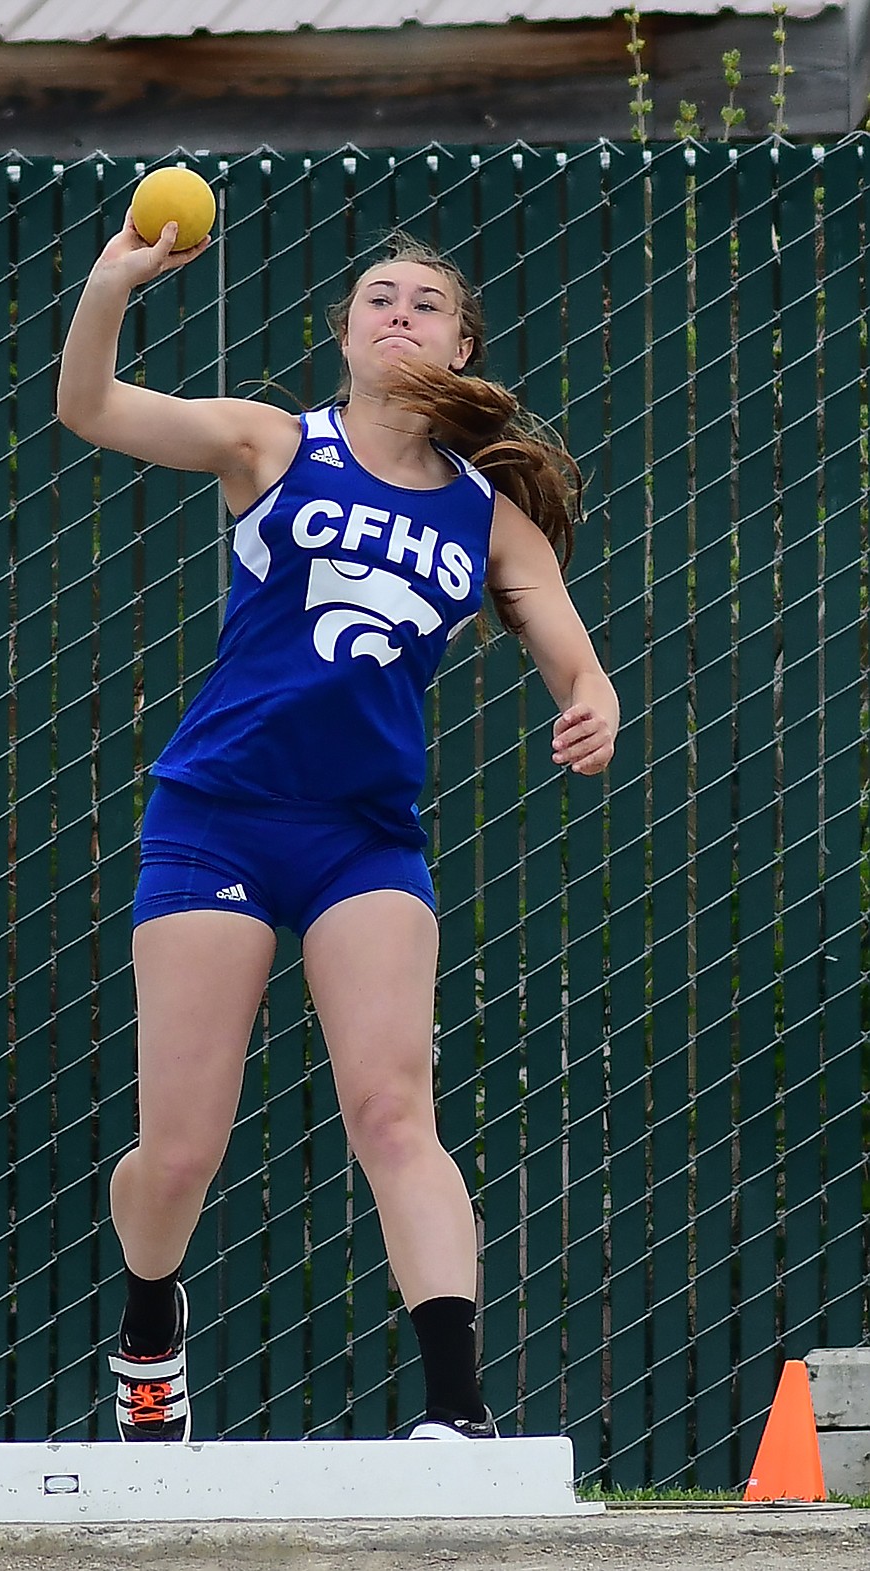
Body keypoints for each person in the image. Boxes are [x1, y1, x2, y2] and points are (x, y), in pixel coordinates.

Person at [56, 209, 619, 1445]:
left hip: (365, 838)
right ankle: (150, 1323)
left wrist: (595, 701)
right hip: (218, 818)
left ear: (463, 342)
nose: (400, 313)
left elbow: (573, 654)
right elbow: (91, 409)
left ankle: (457, 1414)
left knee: (393, 1108)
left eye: (426, 301)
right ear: (348, 335)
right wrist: (112, 285)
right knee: (179, 1151)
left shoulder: (490, 515)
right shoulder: (271, 442)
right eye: (379, 298)